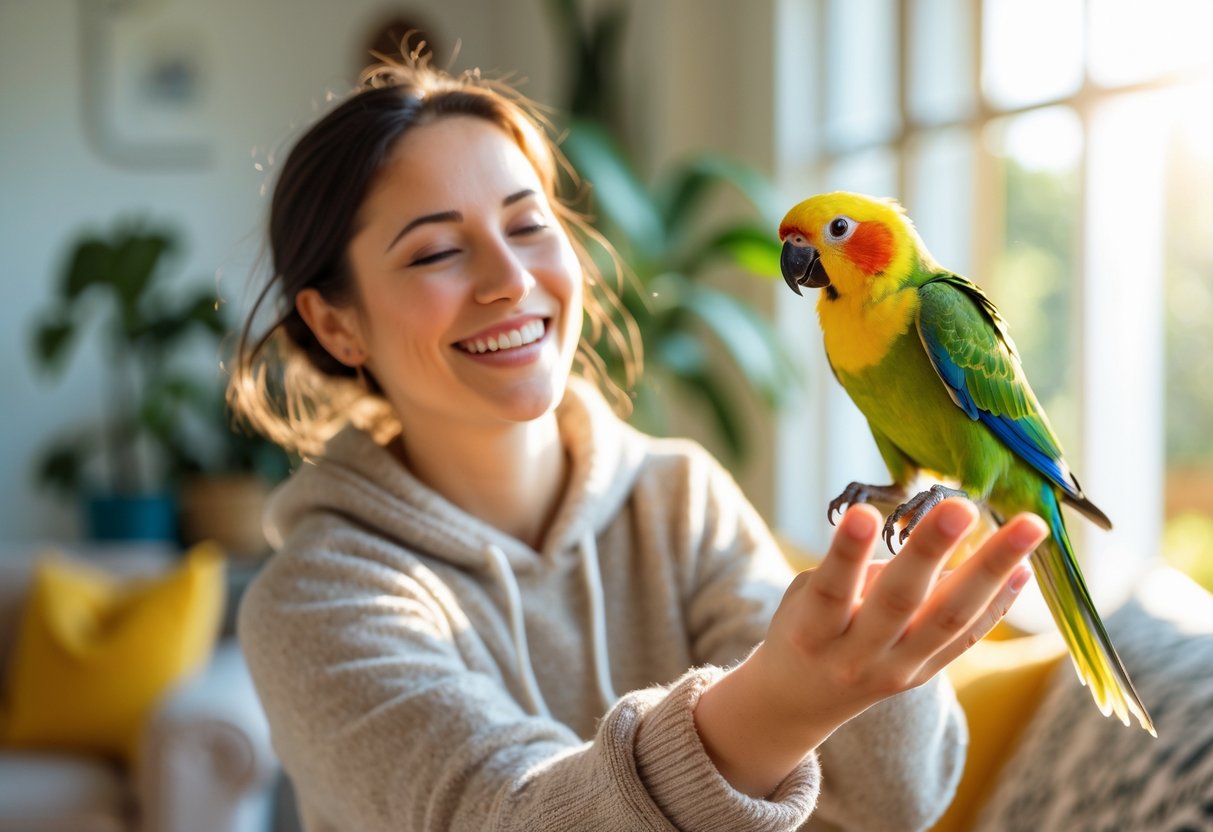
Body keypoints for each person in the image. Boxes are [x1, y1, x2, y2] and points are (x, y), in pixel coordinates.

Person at [231, 51, 1046, 832]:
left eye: (527, 225)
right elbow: (499, 817)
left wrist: (860, 669)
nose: (510, 279)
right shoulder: (313, 603)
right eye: (437, 251)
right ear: (336, 324)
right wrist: (777, 703)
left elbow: (894, 800)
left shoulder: (678, 499)